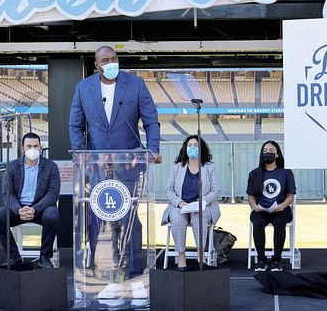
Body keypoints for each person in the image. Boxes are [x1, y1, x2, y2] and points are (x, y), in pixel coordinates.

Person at [69, 45, 162, 278]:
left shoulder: (136, 85)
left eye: (114, 58)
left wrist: (152, 150)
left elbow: (151, 121)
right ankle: (99, 268)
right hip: (96, 166)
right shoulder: (83, 88)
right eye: (105, 60)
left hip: (130, 163)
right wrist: (82, 155)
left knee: (129, 218)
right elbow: (75, 125)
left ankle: (134, 271)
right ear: (96, 65)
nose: (111, 63)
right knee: (96, 217)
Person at [0, 132, 60, 269]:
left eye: (36, 146)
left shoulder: (51, 167)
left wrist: (35, 209)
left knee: (53, 215)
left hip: (41, 209)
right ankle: (14, 257)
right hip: (18, 208)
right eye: (29, 146)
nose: (32, 149)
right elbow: (7, 193)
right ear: (23, 148)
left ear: (41, 148)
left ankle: (45, 257)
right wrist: (18, 209)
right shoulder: (12, 166)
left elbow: (52, 194)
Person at [162, 135, 221, 271]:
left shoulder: (209, 167)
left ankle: (201, 256)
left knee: (198, 215)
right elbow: (168, 190)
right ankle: (181, 256)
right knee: (176, 217)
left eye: (196, 145)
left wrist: (203, 201)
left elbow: (216, 190)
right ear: (185, 148)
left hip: (203, 206)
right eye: (190, 145)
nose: (192, 148)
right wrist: (179, 202)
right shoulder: (177, 167)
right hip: (181, 205)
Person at [246, 140, 296, 272]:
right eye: (265, 151)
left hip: (281, 209)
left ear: (277, 154)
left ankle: (276, 260)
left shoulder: (286, 172)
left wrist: (282, 205)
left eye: (271, 151)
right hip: (261, 209)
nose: (267, 153)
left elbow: (291, 196)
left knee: (280, 224)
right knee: (257, 223)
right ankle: (261, 260)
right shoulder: (254, 174)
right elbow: (251, 197)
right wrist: (255, 206)